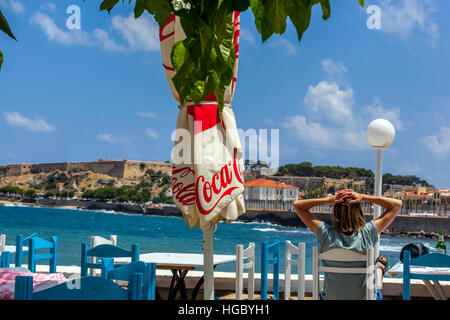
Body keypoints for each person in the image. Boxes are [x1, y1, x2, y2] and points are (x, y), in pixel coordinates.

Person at [293, 189, 402, 300]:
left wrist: (328, 200)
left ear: (336, 211)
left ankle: (378, 269)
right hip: (363, 298)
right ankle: (379, 270)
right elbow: (396, 204)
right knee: (376, 286)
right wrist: (364, 197)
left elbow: (297, 205)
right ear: (359, 211)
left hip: (330, 298)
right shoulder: (369, 232)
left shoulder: (325, 233)